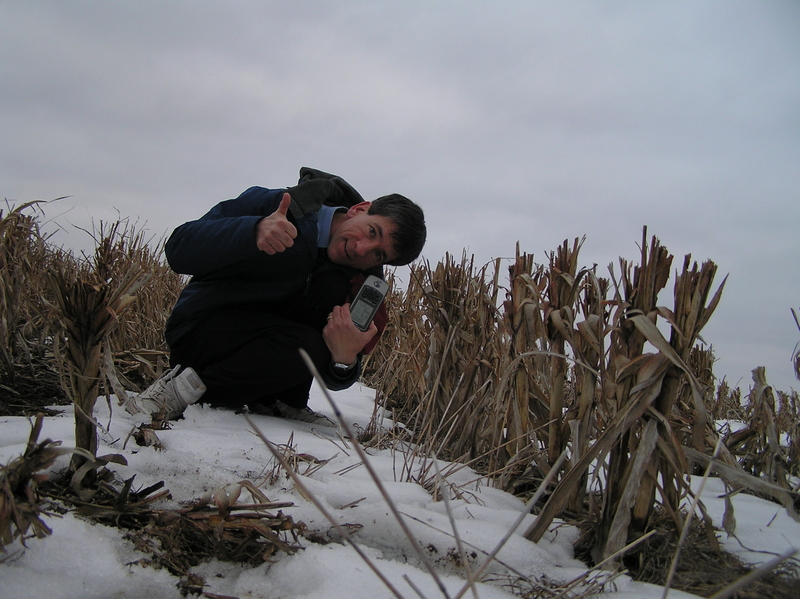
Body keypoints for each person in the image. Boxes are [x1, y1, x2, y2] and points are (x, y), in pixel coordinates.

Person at [124, 167, 426, 426]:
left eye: (377, 254)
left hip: (269, 357)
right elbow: (178, 248)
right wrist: (251, 231)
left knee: (323, 317)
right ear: (360, 209)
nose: (362, 250)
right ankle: (176, 391)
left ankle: (281, 402)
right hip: (205, 334)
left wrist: (344, 358)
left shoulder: (364, 284)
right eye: (372, 232)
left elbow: (337, 378)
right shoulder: (281, 206)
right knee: (303, 270)